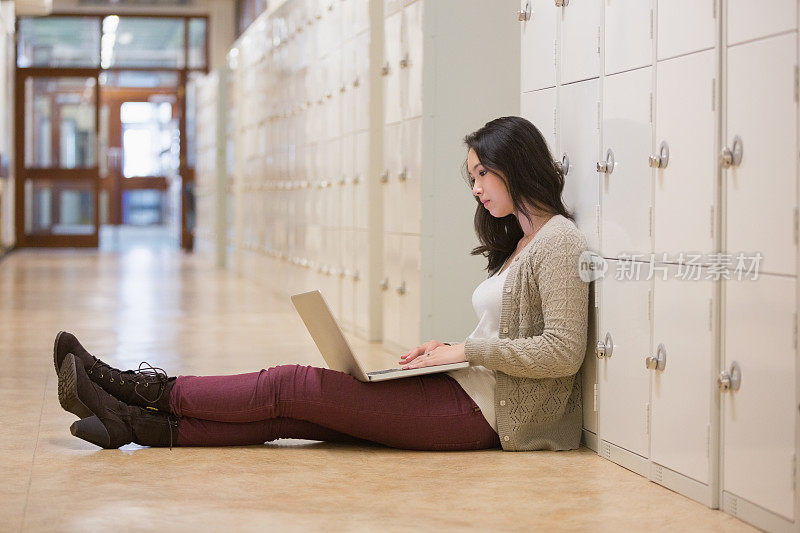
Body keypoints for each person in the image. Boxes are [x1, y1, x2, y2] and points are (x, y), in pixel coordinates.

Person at [54, 116, 589, 451]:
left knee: (290, 386)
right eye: (470, 176)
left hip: (484, 418)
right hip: (462, 389)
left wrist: (466, 348)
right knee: (289, 412)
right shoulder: (518, 243)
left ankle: (128, 385)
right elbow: (507, 337)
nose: (474, 188)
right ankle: (135, 426)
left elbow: (564, 351)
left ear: (514, 166)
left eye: (481, 175)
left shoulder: (558, 241)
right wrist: (449, 351)